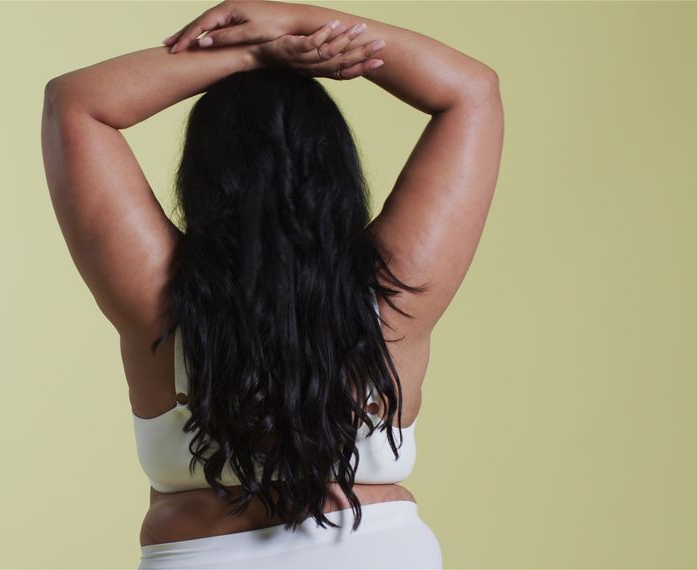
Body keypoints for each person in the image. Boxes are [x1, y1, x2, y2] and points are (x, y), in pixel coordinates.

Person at [41, 1, 503, 567]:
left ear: (204, 173)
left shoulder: (155, 289)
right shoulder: (397, 285)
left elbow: (75, 103)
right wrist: (292, 25)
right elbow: (472, 90)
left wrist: (250, 55)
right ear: (336, 167)